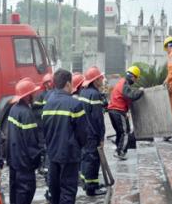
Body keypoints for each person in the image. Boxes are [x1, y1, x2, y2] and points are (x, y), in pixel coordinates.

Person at [42, 69, 87, 204]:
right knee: (67, 191)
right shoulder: (75, 104)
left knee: (54, 191)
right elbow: (82, 134)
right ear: (68, 84)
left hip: (52, 155)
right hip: (69, 155)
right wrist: (79, 147)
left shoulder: (47, 104)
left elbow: (44, 130)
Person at [7, 77, 41, 204]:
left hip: (14, 162)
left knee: (15, 194)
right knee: (26, 193)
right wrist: (36, 161)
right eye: (33, 92)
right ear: (28, 95)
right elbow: (31, 142)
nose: (35, 94)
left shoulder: (14, 109)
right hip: (24, 164)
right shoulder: (26, 113)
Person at [78, 66, 107, 196]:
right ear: (95, 81)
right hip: (93, 133)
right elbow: (98, 119)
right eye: (100, 77)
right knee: (93, 160)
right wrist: (101, 136)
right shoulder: (94, 94)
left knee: (86, 158)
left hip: (85, 132)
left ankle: (88, 183)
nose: (102, 79)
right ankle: (91, 188)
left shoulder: (83, 92)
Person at [108, 66, 144, 160]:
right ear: (133, 77)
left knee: (120, 132)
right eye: (136, 79)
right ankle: (120, 152)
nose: (135, 81)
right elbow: (130, 95)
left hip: (113, 110)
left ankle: (118, 149)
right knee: (125, 132)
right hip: (118, 110)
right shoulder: (125, 83)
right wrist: (140, 91)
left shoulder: (122, 81)